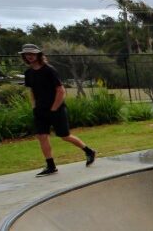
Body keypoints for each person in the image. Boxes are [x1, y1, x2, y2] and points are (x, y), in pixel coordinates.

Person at [20, 44, 96, 177]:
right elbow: (31, 90)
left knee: (64, 135)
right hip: (40, 110)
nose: (29, 56)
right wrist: (34, 106)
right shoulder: (28, 73)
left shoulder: (49, 70)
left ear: (38, 54)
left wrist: (54, 108)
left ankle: (89, 151)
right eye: (27, 54)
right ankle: (50, 165)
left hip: (56, 109)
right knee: (42, 136)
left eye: (32, 53)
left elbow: (60, 90)